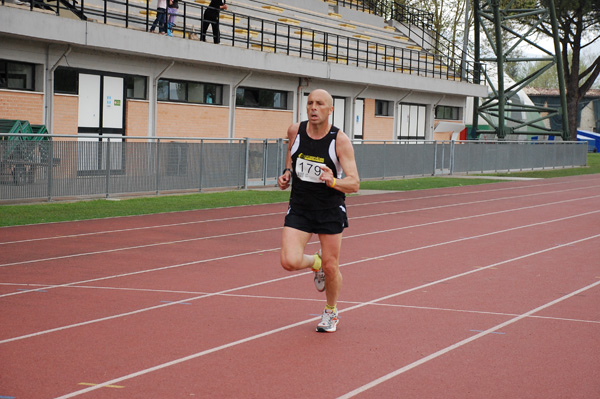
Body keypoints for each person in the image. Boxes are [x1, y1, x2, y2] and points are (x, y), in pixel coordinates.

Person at [277, 89, 360, 333]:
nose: (313, 107)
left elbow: (354, 183)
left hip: (329, 208)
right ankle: (316, 262)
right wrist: (288, 175)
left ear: (330, 110)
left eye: (320, 104)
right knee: (289, 261)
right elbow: (291, 157)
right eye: (310, 103)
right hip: (301, 206)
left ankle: (331, 311)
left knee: (332, 267)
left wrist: (333, 181)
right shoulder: (295, 130)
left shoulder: (339, 140)